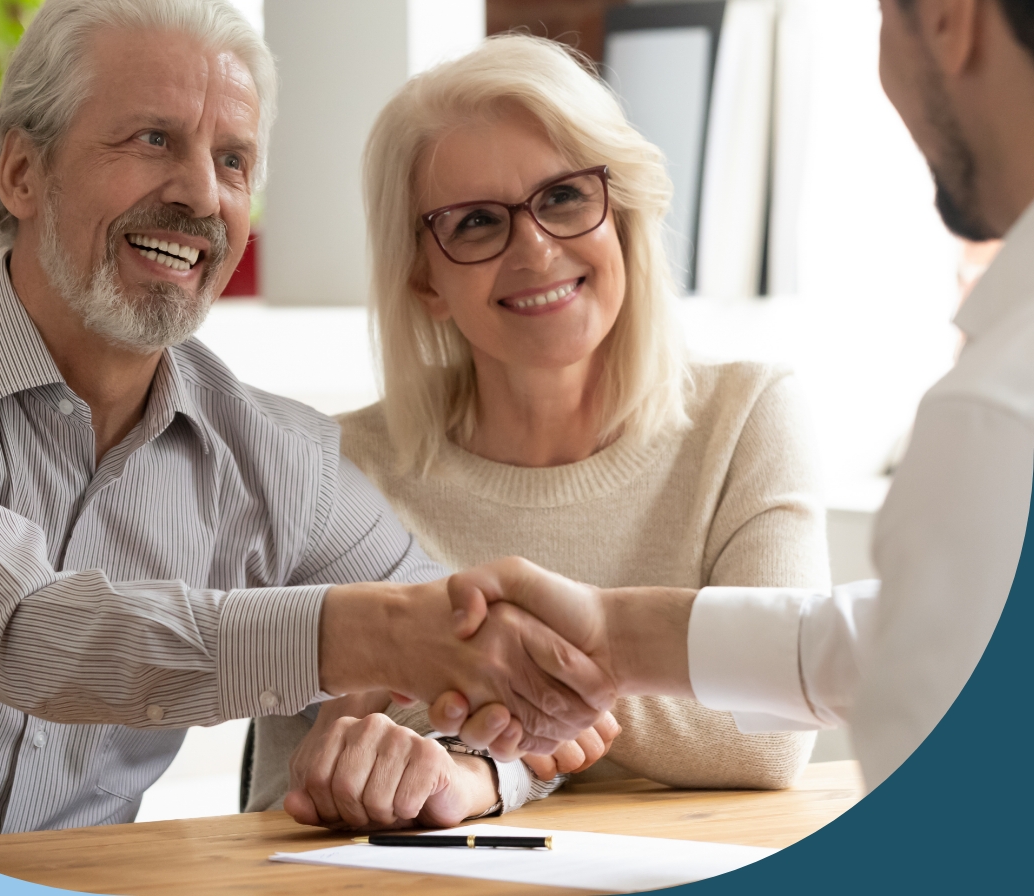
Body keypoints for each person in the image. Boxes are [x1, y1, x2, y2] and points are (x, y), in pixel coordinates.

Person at [0, 0, 610, 840]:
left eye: (233, 162)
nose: (200, 196)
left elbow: (472, 672)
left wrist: (465, 764)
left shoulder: (277, 460)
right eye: (153, 139)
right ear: (23, 173)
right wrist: (366, 636)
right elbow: (31, 633)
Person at [434, 0, 1034, 794]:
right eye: (477, 221)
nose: (534, 248)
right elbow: (889, 641)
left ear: (952, 21)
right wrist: (612, 637)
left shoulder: (993, 412)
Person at [248, 34, 830, 830]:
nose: (535, 249)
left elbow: (769, 731)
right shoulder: (330, 470)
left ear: (621, 211)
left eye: (563, 197)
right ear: (424, 277)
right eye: (478, 222)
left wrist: (486, 740)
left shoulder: (748, 417)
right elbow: (288, 789)